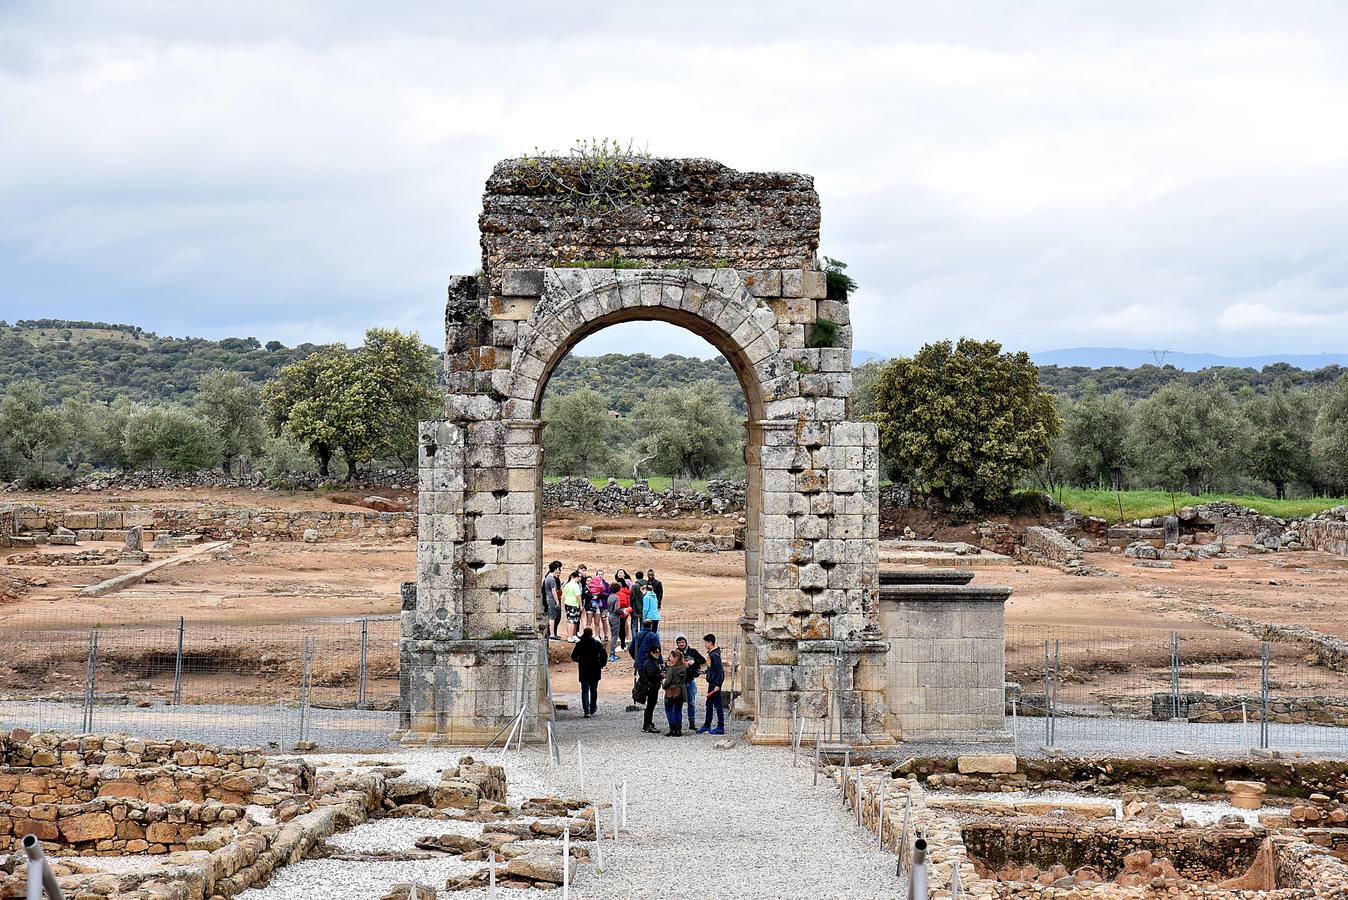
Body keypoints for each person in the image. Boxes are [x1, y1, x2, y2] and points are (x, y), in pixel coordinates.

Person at [630, 621, 662, 733]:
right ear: (651, 626)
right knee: (652, 696)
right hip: (651, 666)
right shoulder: (653, 636)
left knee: (644, 682)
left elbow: (631, 649)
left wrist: (637, 658)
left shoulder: (637, 635)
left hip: (640, 665)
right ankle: (647, 724)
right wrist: (661, 663)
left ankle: (647, 723)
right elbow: (658, 649)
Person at [570, 626, 607, 717]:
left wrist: (580, 661)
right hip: (595, 669)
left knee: (585, 691)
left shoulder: (579, 644)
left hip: (584, 670)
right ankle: (593, 707)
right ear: (591, 634)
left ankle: (586, 710)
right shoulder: (597, 643)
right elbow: (604, 656)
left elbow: (573, 656)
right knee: (593, 690)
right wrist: (601, 664)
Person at [675, 633, 705, 731]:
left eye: (682, 642)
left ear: (686, 642)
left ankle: (692, 723)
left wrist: (694, 662)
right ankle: (677, 724)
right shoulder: (675, 653)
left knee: (691, 703)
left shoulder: (693, 652)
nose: (681, 644)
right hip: (680, 683)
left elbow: (703, 660)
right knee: (678, 703)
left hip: (690, 680)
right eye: (679, 642)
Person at [696, 633, 725, 735]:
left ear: (710, 642)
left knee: (717, 705)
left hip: (714, 685)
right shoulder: (713, 654)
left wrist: (718, 684)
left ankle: (720, 726)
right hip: (712, 683)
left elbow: (719, 671)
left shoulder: (714, 655)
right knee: (709, 704)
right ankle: (707, 725)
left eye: (705, 642)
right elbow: (712, 669)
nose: (704, 645)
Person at [662, 649, 687, 737]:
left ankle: (673, 729)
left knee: (669, 709)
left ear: (675, 657)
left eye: (670, 657)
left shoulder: (671, 669)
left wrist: (663, 686)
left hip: (671, 691)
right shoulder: (684, 667)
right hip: (681, 691)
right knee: (678, 710)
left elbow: (668, 682)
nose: (669, 658)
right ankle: (678, 730)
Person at [542, 560, 563, 640]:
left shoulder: (548, 577)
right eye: (558, 568)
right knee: (552, 617)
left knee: (552, 616)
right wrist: (557, 602)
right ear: (555, 568)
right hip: (551, 599)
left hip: (549, 598)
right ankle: (552, 634)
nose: (559, 570)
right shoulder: (551, 579)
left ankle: (552, 633)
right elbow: (554, 591)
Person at [562, 570, 583, 642]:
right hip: (574, 604)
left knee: (570, 620)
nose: (579, 579)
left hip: (567, 603)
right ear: (575, 577)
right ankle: (570, 637)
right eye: (578, 577)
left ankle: (571, 635)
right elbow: (578, 596)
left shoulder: (567, 584)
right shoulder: (575, 585)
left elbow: (564, 595)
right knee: (572, 621)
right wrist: (581, 605)